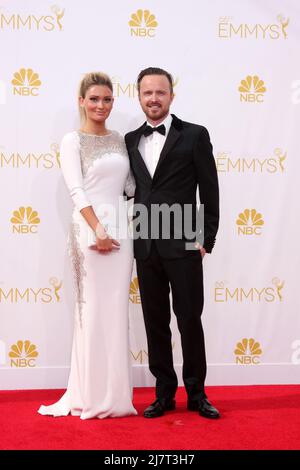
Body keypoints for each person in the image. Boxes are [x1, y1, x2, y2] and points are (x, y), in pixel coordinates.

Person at [38, 72, 137, 419]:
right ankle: (88, 394)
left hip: (122, 234)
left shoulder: (120, 139)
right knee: (91, 311)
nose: (101, 105)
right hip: (90, 233)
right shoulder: (72, 141)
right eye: (94, 99)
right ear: (81, 101)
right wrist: (98, 230)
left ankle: (115, 395)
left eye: (107, 99)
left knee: (114, 312)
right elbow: (76, 190)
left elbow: (128, 186)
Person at [125, 67, 220, 419]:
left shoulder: (194, 135)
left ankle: (197, 394)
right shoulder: (130, 139)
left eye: (160, 92)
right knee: (154, 321)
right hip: (145, 244)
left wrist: (206, 238)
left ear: (171, 96)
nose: (154, 98)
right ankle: (163, 393)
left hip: (183, 243)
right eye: (147, 93)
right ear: (139, 96)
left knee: (189, 319)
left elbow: (209, 189)